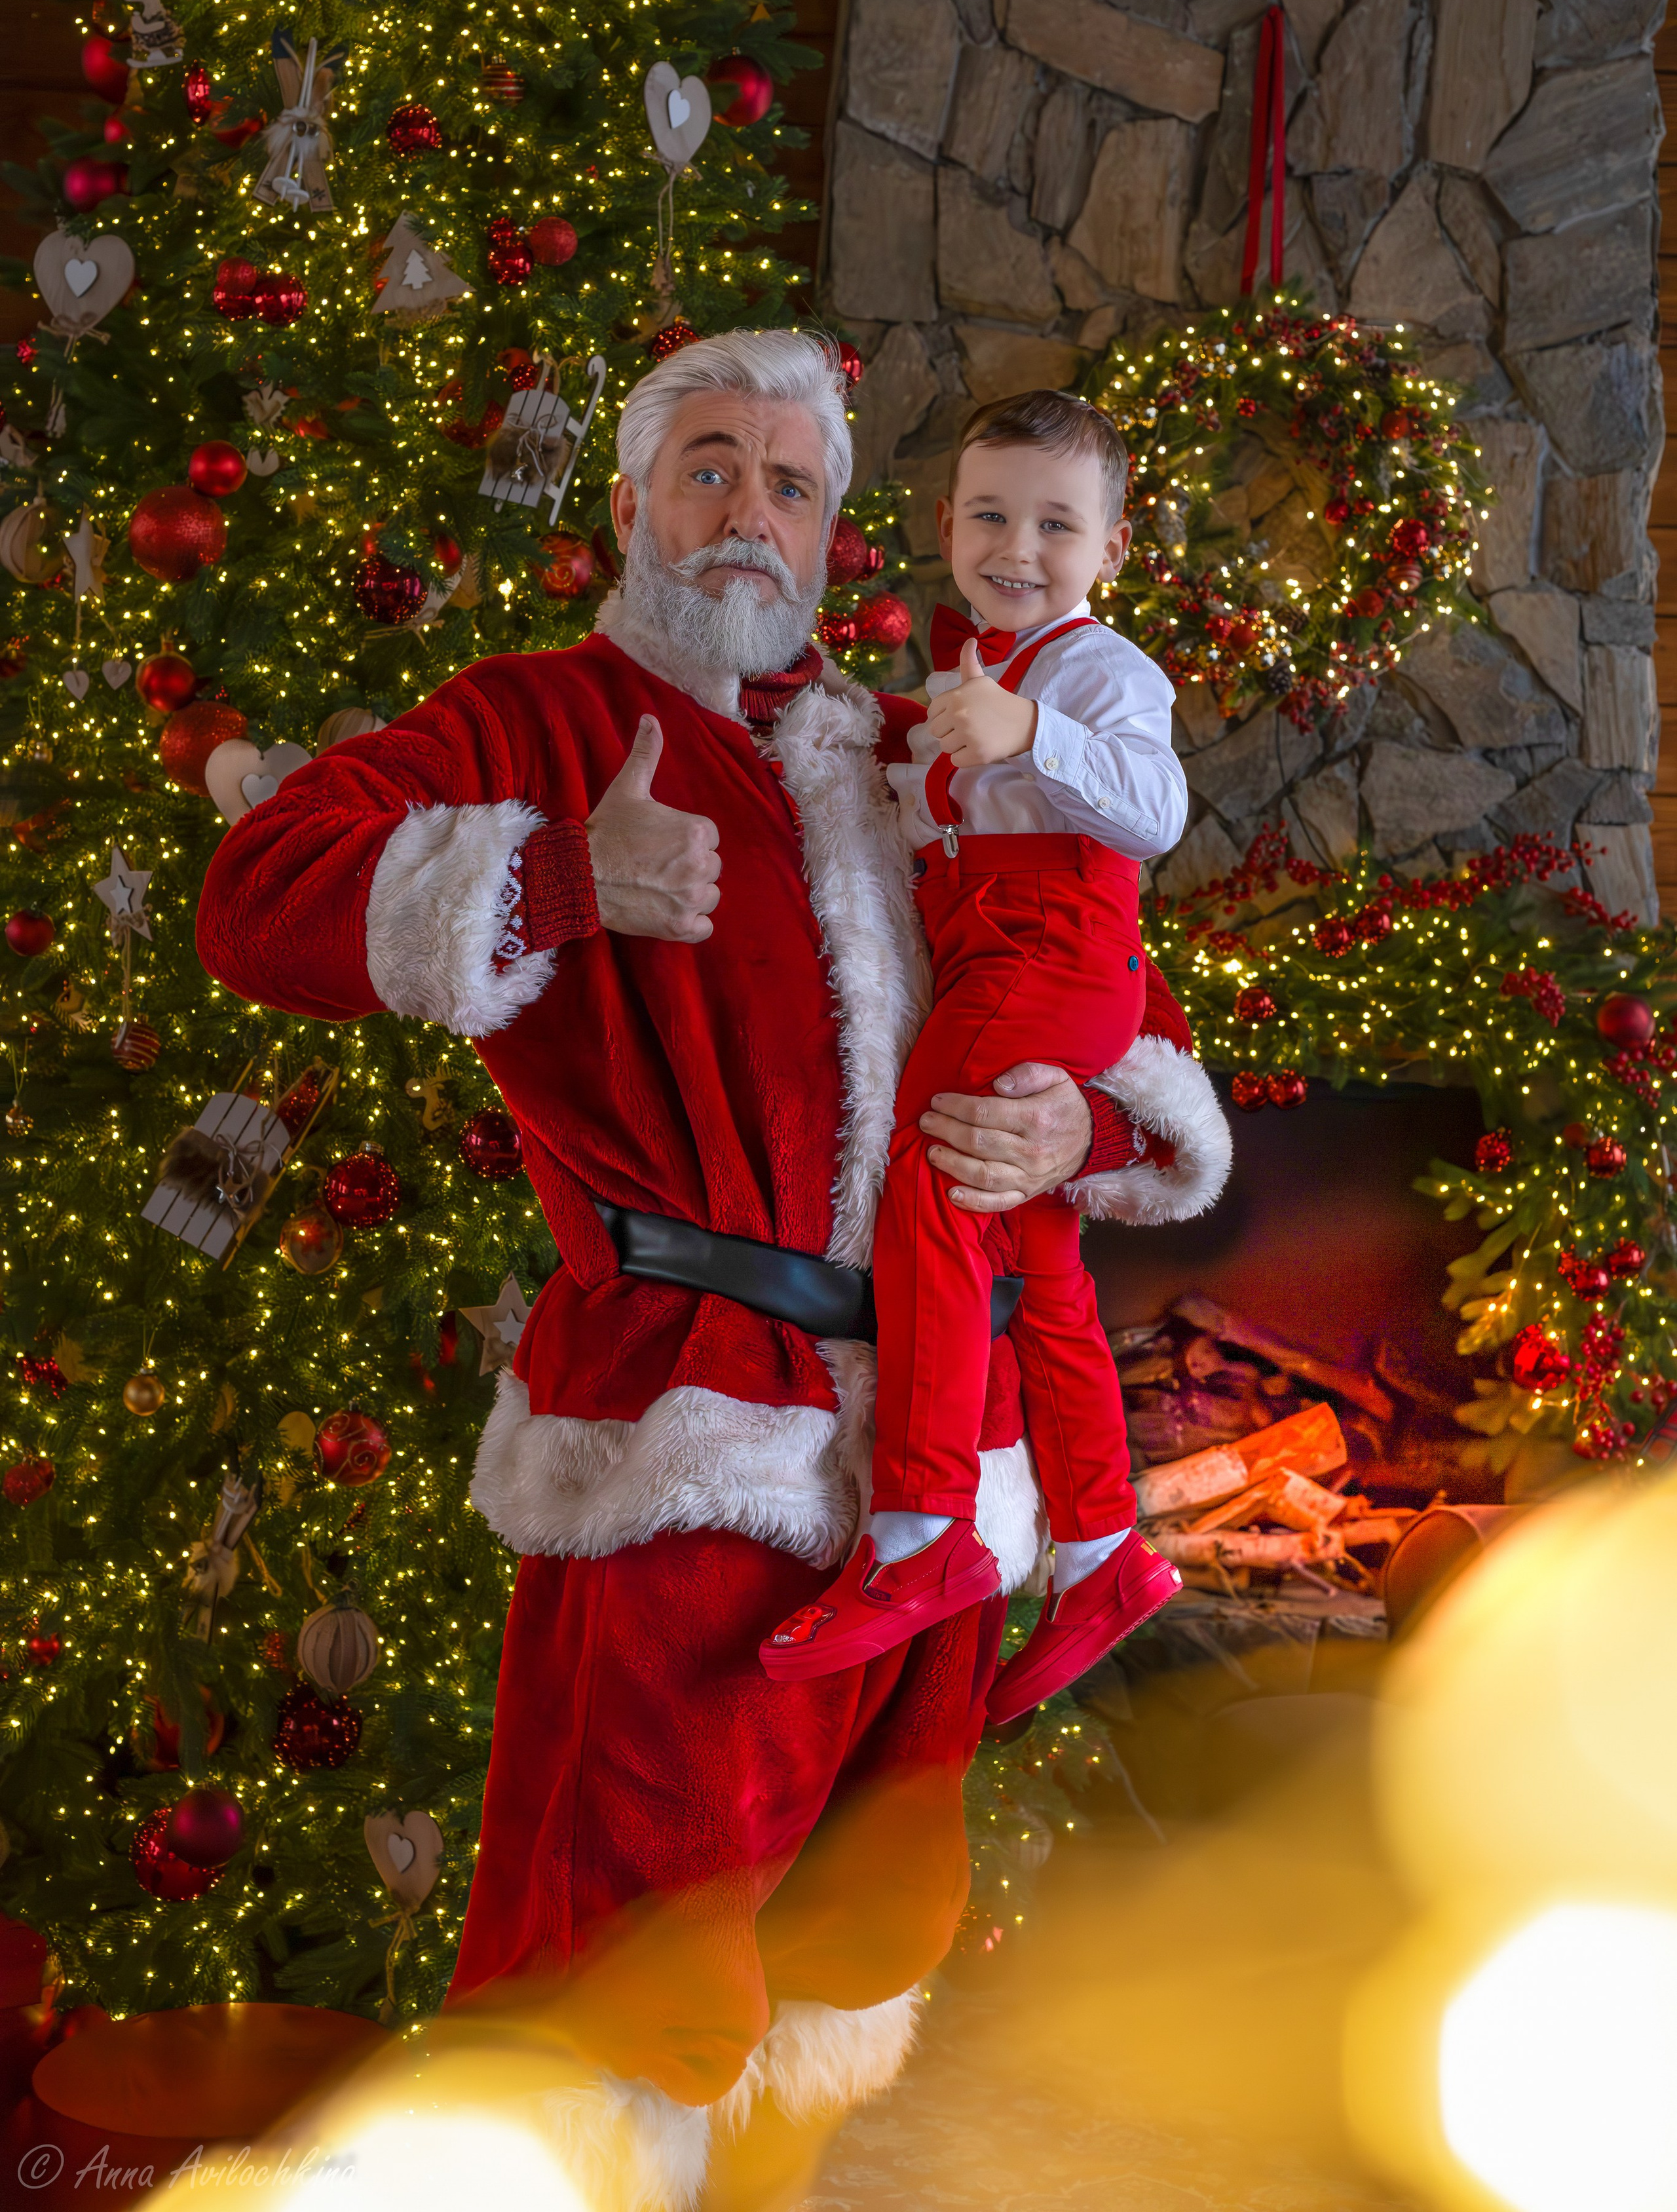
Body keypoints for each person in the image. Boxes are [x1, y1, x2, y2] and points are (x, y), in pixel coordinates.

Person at [195, 331, 1231, 2212]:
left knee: (855, 1943)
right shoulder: (543, 714)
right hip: (689, 1445)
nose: (750, 509)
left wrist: (1100, 1125)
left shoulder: (910, 738)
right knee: (630, 1973)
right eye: (708, 466)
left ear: (840, 533)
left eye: (791, 481)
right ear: (628, 503)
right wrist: (560, 877)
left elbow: (1090, 962)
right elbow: (257, 893)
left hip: (936, 1464)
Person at [763, 392, 1189, 1718]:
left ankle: (920, 1524)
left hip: (1045, 954)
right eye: (991, 514)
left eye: (1055, 524)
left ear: (1108, 548)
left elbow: (1156, 808)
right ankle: (1108, 1551)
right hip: (998, 947)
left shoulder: (1094, 670)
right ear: (945, 526)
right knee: (1037, 1251)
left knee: (930, 1192)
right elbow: (937, 784)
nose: (1018, 544)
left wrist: (1032, 737)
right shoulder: (974, 669)